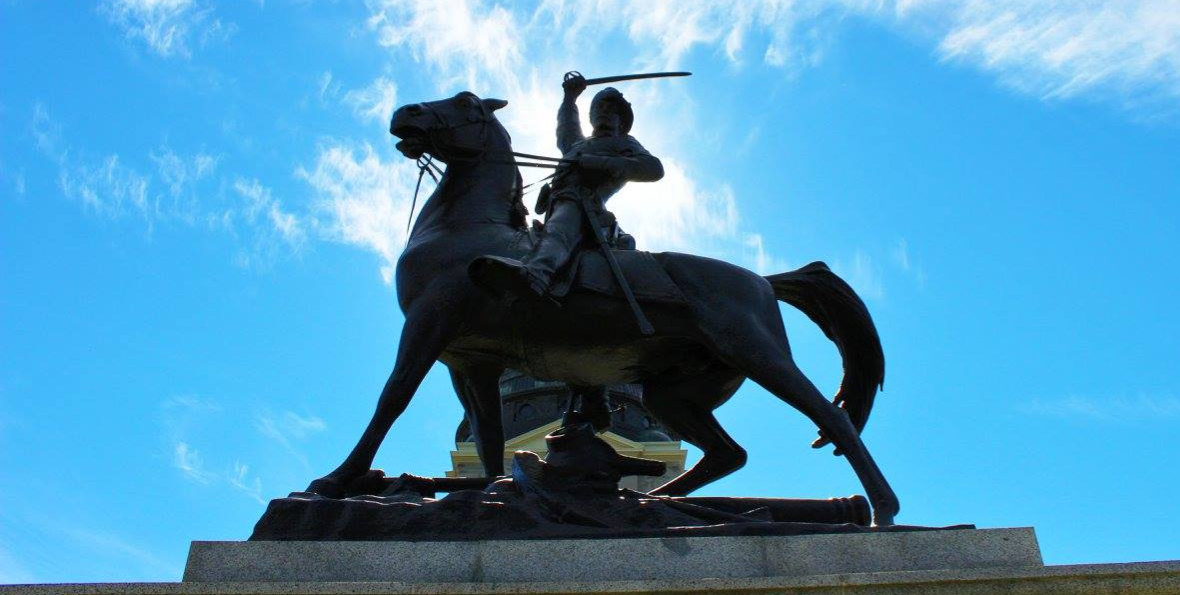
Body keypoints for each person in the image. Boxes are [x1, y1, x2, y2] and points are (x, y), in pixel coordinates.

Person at [474, 73, 664, 299]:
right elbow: (567, 125)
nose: (604, 111)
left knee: (560, 228)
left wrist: (598, 163)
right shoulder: (578, 143)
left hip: (584, 206)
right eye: (600, 107)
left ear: (621, 121)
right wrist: (570, 97)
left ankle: (537, 274)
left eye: (612, 109)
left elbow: (653, 168)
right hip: (556, 204)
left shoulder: (624, 142)